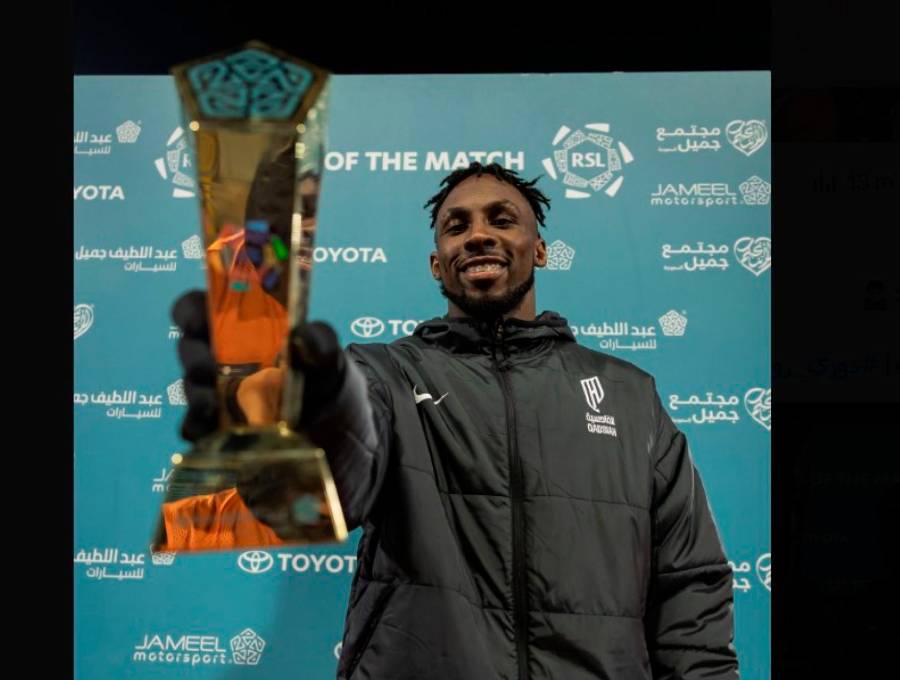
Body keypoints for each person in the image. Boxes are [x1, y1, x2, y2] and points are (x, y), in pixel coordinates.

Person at [175, 162, 739, 679]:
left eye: (502, 219)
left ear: (539, 249)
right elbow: (330, 482)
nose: (478, 234)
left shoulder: (628, 395)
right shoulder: (384, 376)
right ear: (437, 262)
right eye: (456, 226)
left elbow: (690, 584)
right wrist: (277, 396)